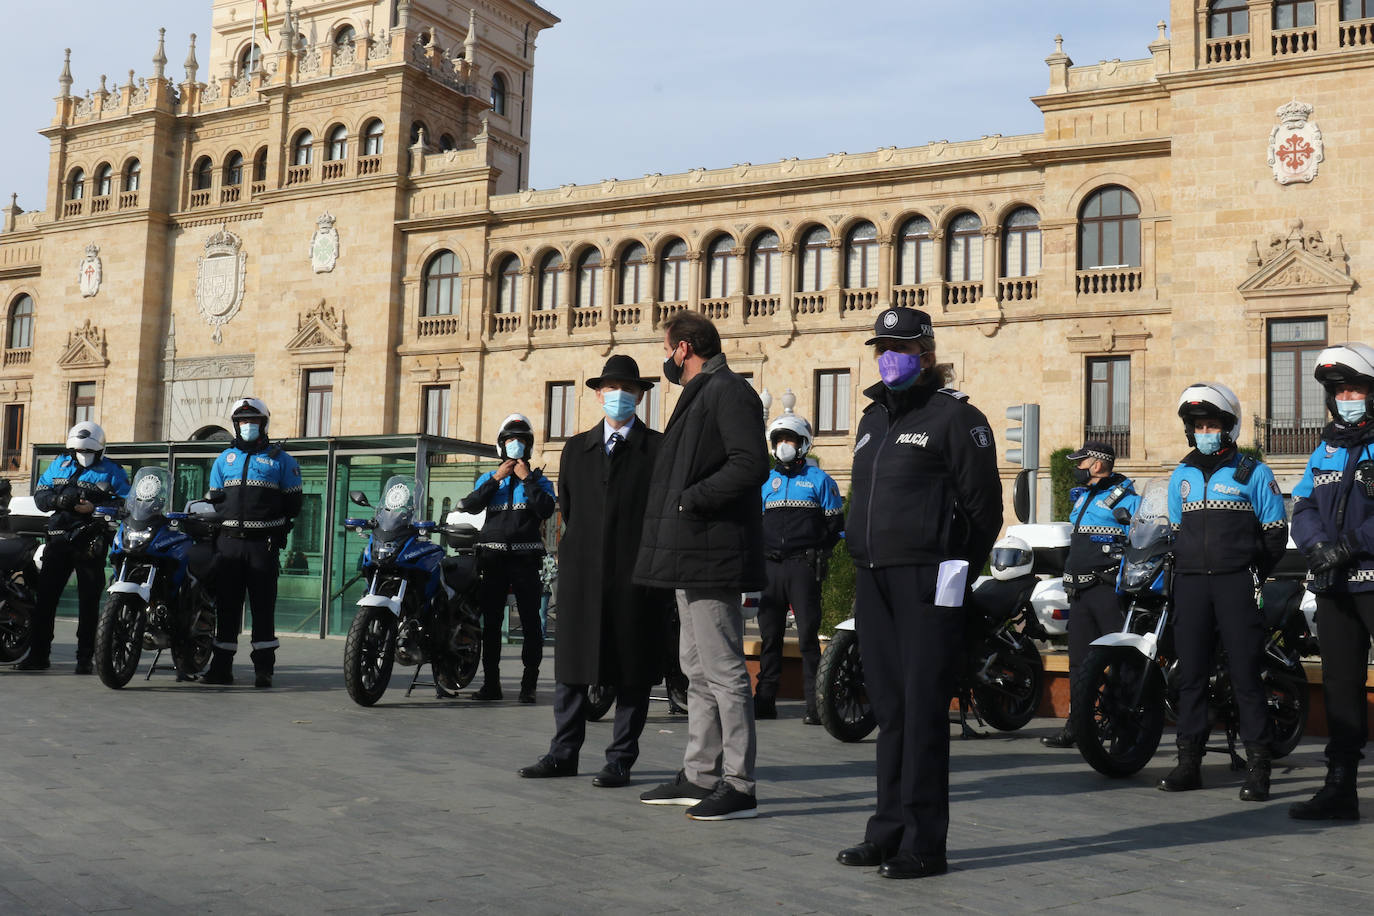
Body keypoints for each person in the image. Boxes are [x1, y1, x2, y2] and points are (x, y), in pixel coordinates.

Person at [837, 306, 1002, 879]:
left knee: (924, 713)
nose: (888, 356)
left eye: (900, 346)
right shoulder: (870, 420)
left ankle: (925, 844)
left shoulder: (955, 418)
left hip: (929, 581)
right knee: (890, 710)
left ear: (926, 355)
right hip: (874, 578)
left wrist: (955, 574)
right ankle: (886, 832)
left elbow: (985, 511)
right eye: (881, 346)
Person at [634, 311, 769, 821]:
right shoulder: (701, 393)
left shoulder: (728, 391)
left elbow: (750, 463)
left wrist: (692, 501)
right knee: (695, 668)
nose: (665, 358)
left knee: (725, 669)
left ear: (684, 348)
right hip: (691, 554)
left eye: (666, 348)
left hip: (713, 552)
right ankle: (700, 774)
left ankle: (739, 782)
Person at [518, 355, 667, 788]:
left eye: (627, 388)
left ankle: (620, 758)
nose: (618, 395)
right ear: (599, 394)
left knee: (632, 668)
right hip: (583, 571)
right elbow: (569, 507)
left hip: (634, 573)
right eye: (610, 387)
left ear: (639, 395)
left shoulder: (655, 448)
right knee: (572, 667)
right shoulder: (576, 448)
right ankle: (563, 753)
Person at [1160, 383, 1287, 800]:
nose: (1205, 431)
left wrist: (1249, 571)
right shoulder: (1181, 474)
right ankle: (1188, 763)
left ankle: (1258, 767)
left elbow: (1275, 533)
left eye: (1212, 424)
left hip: (1236, 583)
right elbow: (1177, 530)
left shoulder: (1253, 472)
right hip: (1193, 585)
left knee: (1246, 675)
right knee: (1191, 676)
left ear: (1227, 428)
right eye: (1198, 425)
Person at [1289, 343, 1374, 820]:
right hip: (1335, 588)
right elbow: (1302, 506)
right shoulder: (1324, 450)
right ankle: (1340, 788)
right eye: (1340, 390)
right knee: (1341, 688)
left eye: (1356, 388)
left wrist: (1350, 545)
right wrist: (1318, 546)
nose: (1347, 397)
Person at [1041, 441, 1139, 748]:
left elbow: (1140, 535)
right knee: (1078, 663)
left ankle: (1121, 726)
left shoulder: (1125, 497)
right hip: (1079, 590)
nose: (1077, 468)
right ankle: (1077, 726)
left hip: (1106, 589)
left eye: (1081, 462)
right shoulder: (1083, 495)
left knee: (1120, 661)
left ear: (1097, 464)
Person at [204, 397, 303, 688]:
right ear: (235, 425)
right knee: (227, 608)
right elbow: (215, 500)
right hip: (229, 544)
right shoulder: (224, 460)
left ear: (264, 424)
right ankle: (221, 669)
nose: (248, 426)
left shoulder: (281, 460)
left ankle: (264, 670)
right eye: (242, 421)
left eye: (253, 421)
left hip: (263, 545)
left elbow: (293, 505)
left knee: (263, 608)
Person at [459, 413, 556, 703]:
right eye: (510, 440)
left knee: (530, 623)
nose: (516, 445)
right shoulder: (489, 478)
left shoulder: (540, 481)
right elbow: (471, 506)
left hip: (526, 562)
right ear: (501, 445)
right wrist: (498, 478)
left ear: (528, 446)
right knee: (491, 624)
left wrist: (527, 479)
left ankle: (529, 685)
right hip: (493, 561)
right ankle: (491, 684)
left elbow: (546, 510)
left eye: (521, 440)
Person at [20, 422, 130, 673]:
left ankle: (84, 658)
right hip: (59, 540)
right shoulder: (59, 465)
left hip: (91, 541)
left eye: (89, 452)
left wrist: (95, 507)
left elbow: (126, 502)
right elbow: (40, 496)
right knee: (45, 599)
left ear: (100, 450)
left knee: (89, 603)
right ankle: (38, 655)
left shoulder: (112, 471)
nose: (84, 456)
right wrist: (58, 500)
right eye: (79, 450)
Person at [755, 413, 843, 723]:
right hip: (770, 568)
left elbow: (835, 525)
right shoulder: (765, 481)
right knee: (770, 637)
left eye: (789, 440)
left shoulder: (820, 480)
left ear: (803, 444)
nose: (783, 445)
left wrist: (817, 552)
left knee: (807, 637)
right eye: (779, 440)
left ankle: (814, 704)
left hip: (803, 566)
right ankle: (764, 700)